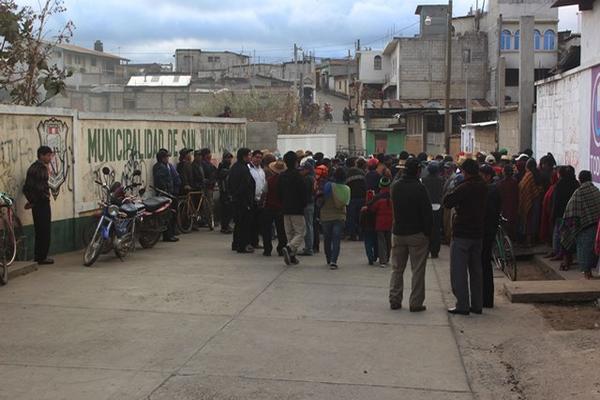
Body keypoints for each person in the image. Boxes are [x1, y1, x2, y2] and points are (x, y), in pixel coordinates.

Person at [443, 158, 487, 315]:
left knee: (459, 272)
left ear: (466, 172)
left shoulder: (464, 187)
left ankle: (462, 304)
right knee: (476, 270)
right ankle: (477, 304)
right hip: (478, 233)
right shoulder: (484, 186)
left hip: (462, 233)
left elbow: (447, 202)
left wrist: (455, 187)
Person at [389, 158, 433, 312]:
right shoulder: (420, 188)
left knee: (397, 269)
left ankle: (394, 299)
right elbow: (427, 213)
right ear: (418, 171)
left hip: (398, 232)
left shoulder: (395, 187)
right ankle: (415, 303)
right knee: (418, 270)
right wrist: (429, 234)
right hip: (417, 234)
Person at [560, 170, 600, 279]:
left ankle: (587, 273)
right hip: (597, 226)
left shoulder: (578, 193)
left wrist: (568, 227)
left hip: (584, 227)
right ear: (590, 178)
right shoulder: (596, 191)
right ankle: (589, 272)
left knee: (585, 250)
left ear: (580, 180)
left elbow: (570, 211)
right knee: (594, 251)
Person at [23, 146, 55, 264]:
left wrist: (31, 201)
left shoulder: (34, 168)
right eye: (48, 155)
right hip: (41, 203)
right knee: (44, 230)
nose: (50, 158)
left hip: (38, 203)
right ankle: (41, 257)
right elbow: (36, 188)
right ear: (41, 155)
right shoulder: (40, 169)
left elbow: (27, 188)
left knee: (40, 230)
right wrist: (35, 201)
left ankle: (40, 256)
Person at [278, 151, 309, 265]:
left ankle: (291, 256)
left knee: (290, 233)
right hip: (297, 209)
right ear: (296, 162)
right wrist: (304, 204)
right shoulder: (299, 177)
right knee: (301, 232)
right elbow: (303, 193)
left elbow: (279, 193)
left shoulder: (281, 176)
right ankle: (290, 248)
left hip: (285, 208)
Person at [480, 164, 501, 309]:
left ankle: (486, 299)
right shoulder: (492, 189)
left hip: (486, 232)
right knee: (484, 265)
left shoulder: (491, 190)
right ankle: (485, 298)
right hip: (487, 231)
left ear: (487, 176)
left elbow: (489, 213)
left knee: (484, 265)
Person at [320, 167, 351, 269]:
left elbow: (323, 198)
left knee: (327, 239)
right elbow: (347, 203)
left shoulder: (328, 186)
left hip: (326, 215)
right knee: (336, 239)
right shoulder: (347, 189)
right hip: (340, 216)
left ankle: (328, 258)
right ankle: (334, 261)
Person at [550, 166, 579, 268]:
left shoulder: (560, 184)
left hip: (562, 214)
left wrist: (553, 215)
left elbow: (556, 201)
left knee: (563, 237)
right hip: (573, 215)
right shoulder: (576, 183)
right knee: (571, 237)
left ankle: (565, 259)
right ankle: (567, 258)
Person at [228, 148, 255, 253]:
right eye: (249, 155)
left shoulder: (235, 167)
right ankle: (242, 246)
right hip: (243, 200)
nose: (250, 157)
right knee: (244, 224)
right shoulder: (243, 169)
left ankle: (236, 243)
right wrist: (247, 200)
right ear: (244, 156)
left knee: (238, 223)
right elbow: (245, 186)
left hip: (236, 200)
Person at [152, 149, 179, 242]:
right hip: (165, 194)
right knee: (167, 215)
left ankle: (169, 234)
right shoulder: (161, 167)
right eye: (167, 157)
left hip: (164, 193)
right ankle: (168, 235)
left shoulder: (159, 166)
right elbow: (161, 181)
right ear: (163, 158)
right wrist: (166, 190)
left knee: (167, 214)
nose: (168, 158)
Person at [263, 160, 288, 257]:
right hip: (281, 208)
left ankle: (267, 249)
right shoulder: (285, 181)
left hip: (269, 206)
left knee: (267, 229)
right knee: (281, 230)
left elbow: (264, 192)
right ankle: (281, 248)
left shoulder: (270, 180)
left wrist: (262, 202)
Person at [518, 158, 544, 246]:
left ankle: (529, 241)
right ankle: (533, 240)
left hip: (529, 201)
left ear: (527, 166)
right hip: (537, 199)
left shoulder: (528, 175)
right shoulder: (538, 174)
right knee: (535, 220)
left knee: (528, 221)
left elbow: (523, 187)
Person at [368, 177, 393, 267]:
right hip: (390, 222)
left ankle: (383, 260)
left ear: (380, 185)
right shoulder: (392, 197)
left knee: (381, 242)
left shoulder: (377, 197)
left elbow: (372, 209)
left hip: (380, 223)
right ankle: (387, 258)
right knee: (388, 241)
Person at [422, 161, 444, 258]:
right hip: (438, 207)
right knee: (436, 230)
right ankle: (435, 251)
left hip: (426, 207)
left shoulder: (424, 180)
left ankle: (426, 250)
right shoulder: (441, 180)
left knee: (426, 229)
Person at [248, 150, 266, 249]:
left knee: (258, 223)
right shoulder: (249, 169)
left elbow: (263, 184)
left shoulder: (261, 170)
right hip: (252, 199)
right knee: (251, 222)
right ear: (252, 157)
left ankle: (255, 241)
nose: (258, 159)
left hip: (260, 199)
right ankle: (250, 241)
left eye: (260, 157)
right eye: (257, 157)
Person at [345, 158, 366, 241]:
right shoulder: (362, 173)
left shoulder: (347, 173)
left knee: (351, 218)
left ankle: (352, 235)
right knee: (360, 217)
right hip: (361, 197)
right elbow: (365, 185)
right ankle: (361, 235)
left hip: (351, 198)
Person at [497, 164, 519, 241]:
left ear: (504, 172)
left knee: (505, 223)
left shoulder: (500, 183)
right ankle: (512, 239)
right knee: (512, 222)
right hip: (513, 205)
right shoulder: (515, 182)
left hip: (504, 206)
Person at [299, 158, 316, 256]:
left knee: (307, 226)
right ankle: (309, 247)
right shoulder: (312, 178)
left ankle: (308, 248)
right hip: (311, 203)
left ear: (307, 170)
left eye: (302, 169)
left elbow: (304, 193)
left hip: (307, 204)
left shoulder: (306, 179)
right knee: (310, 225)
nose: (301, 171)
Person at [200, 148, 217, 230]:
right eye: (208, 154)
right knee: (208, 205)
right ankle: (208, 221)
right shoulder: (203, 164)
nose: (210, 155)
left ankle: (209, 220)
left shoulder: (209, 164)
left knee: (209, 204)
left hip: (210, 186)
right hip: (206, 187)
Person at [216, 151, 233, 234]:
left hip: (228, 191)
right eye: (228, 158)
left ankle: (226, 226)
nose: (229, 159)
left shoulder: (228, 167)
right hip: (224, 192)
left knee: (228, 210)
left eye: (230, 158)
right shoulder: (222, 167)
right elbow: (222, 179)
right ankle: (224, 227)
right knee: (225, 210)